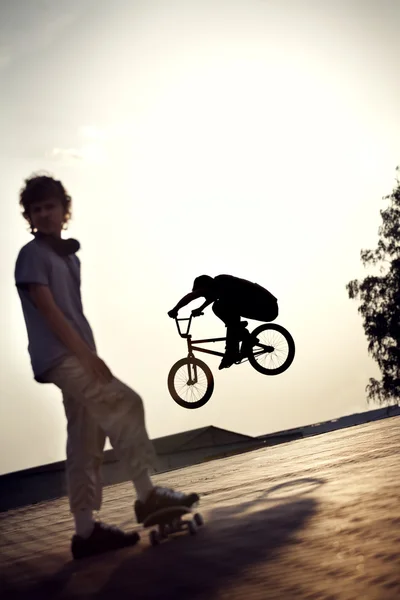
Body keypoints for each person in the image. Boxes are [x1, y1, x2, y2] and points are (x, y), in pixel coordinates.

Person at [14, 174, 199, 560]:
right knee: (125, 403)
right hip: (62, 356)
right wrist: (85, 355)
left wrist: (89, 351)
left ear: (65, 211)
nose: (44, 214)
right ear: (29, 217)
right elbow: (48, 310)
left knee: (85, 440)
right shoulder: (32, 255)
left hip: (76, 353)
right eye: (36, 209)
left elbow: (72, 312)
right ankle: (147, 495)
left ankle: (85, 533)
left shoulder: (68, 257)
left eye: (50, 206)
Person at [168, 274, 279, 369]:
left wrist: (176, 309)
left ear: (206, 286)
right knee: (224, 311)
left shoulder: (222, 282)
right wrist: (200, 309)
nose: (204, 296)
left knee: (220, 308)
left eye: (202, 293)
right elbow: (211, 297)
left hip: (267, 305)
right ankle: (236, 347)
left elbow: (192, 296)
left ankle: (241, 342)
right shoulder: (219, 288)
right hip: (262, 306)